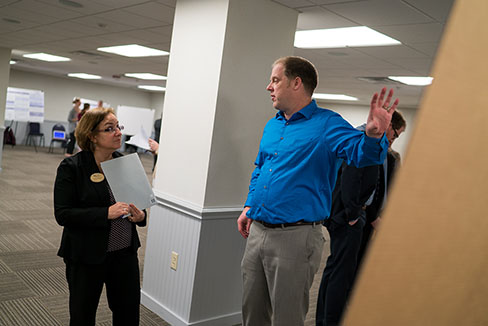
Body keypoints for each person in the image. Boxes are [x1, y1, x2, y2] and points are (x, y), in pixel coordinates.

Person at [237, 56, 399, 326]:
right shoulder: (273, 124)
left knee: (287, 318)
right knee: (252, 313)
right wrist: (249, 206)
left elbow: (361, 155)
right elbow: (261, 168)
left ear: (296, 83)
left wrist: (372, 136)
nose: (269, 87)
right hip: (257, 232)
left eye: (275, 80)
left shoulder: (327, 123)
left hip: (296, 237)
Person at [54, 107, 147, 326]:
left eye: (118, 127)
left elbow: (138, 206)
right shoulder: (71, 167)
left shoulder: (124, 163)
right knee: (83, 314)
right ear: (92, 136)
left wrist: (140, 216)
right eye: (109, 129)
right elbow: (63, 214)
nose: (118, 132)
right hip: (87, 255)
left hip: (124, 252)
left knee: (128, 313)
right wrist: (106, 213)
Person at [315, 111, 406, 326]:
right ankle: (331, 320)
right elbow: (350, 179)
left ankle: (326, 318)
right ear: (389, 125)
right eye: (396, 133)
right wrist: (355, 215)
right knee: (341, 273)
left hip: (352, 215)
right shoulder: (361, 140)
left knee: (337, 269)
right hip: (349, 217)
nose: (395, 139)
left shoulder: (379, 146)